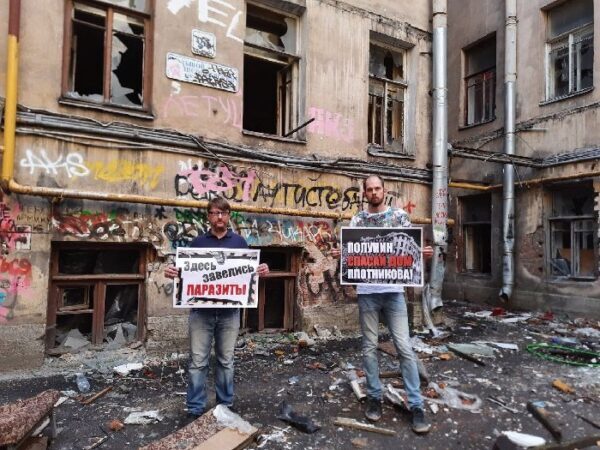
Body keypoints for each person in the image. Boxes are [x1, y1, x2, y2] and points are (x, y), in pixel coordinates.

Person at [332, 175, 433, 434]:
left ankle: (416, 405)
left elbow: (410, 248)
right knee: (369, 347)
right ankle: (374, 397)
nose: (374, 192)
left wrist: (422, 253)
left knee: (404, 346)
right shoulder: (358, 220)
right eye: (370, 189)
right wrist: (340, 254)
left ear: (384, 191)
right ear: (364, 193)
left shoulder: (399, 217)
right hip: (367, 292)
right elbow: (351, 254)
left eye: (378, 188)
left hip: (394, 292)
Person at [165, 196, 269, 418]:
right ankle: (195, 407)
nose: (219, 217)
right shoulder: (198, 244)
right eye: (214, 213)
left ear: (229, 215)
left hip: (230, 313)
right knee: (197, 361)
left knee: (226, 360)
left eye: (223, 213)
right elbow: (185, 273)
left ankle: (225, 404)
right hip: (201, 313)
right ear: (208, 217)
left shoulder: (239, 243)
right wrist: (173, 272)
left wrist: (260, 272)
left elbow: (246, 276)